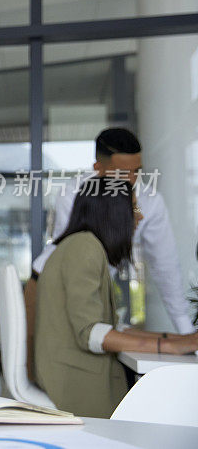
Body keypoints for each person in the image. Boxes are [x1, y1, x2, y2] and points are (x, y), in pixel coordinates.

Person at [35, 178, 198, 418]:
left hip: (69, 370)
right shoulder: (84, 248)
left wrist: (180, 339)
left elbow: (109, 326)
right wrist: (172, 346)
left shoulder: (82, 245)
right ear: (111, 212)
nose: (140, 217)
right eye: (134, 208)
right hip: (74, 381)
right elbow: (91, 333)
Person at [32, 128, 194, 333]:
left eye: (137, 171)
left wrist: (186, 332)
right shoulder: (73, 193)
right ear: (98, 168)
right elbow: (71, 257)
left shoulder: (150, 201)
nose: (132, 180)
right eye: (124, 172)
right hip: (52, 286)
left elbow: (165, 265)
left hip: (94, 295)